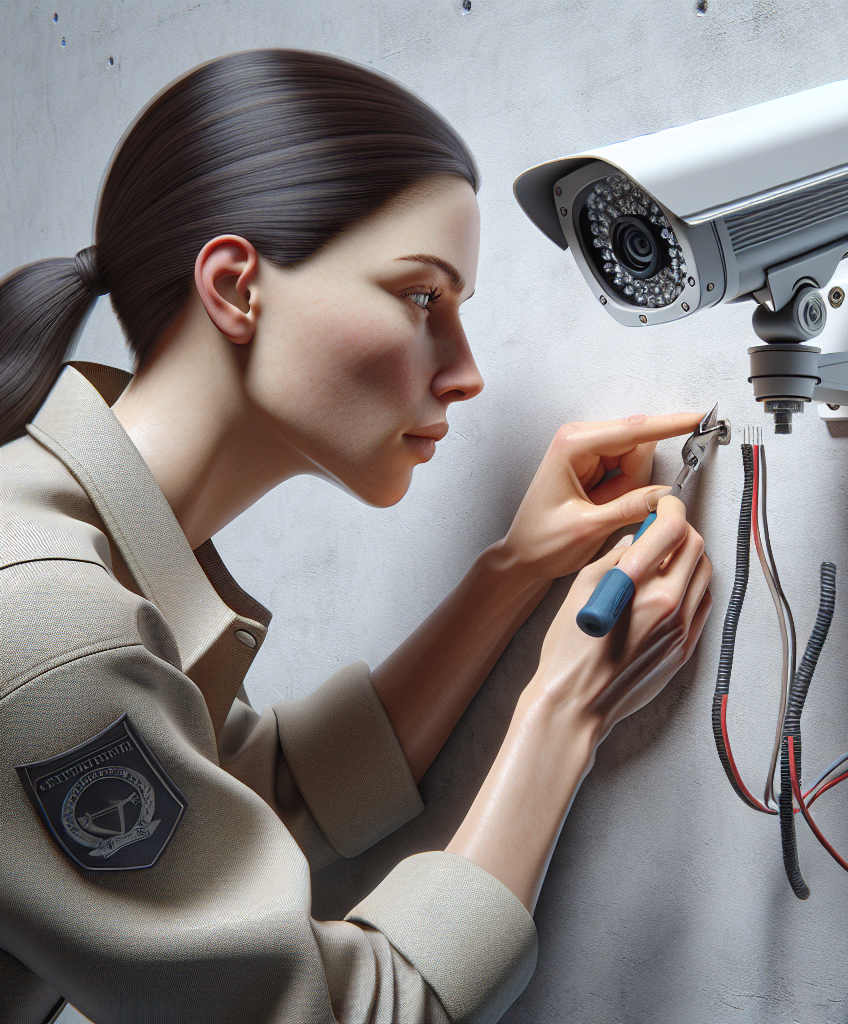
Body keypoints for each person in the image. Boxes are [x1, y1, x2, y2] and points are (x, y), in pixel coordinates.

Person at [0, 49, 713, 1024]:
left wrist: (507, 574)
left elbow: (242, 801)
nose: (465, 373)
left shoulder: (67, 537)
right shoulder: (48, 623)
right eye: (424, 297)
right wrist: (563, 713)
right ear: (236, 286)